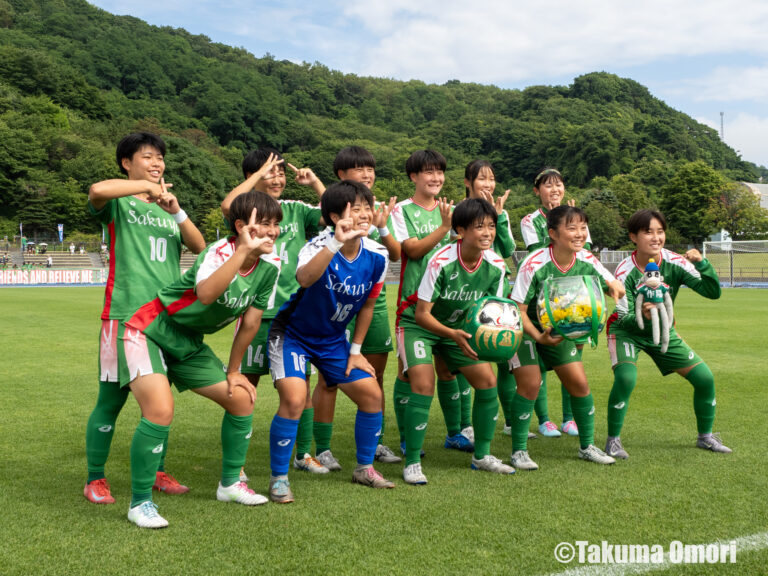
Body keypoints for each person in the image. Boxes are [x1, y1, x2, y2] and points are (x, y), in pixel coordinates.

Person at [119, 191, 282, 528]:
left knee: (241, 400)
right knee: (160, 411)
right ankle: (140, 503)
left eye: (276, 224)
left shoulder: (270, 267)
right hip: (149, 328)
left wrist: (235, 371)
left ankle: (230, 485)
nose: (272, 231)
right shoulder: (219, 251)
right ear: (240, 226)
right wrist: (243, 252)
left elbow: (250, 322)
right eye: (263, 224)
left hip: (188, 343)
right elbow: (207, 294)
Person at [83, 132, 206, 505]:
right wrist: (143, 187)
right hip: (124, 315)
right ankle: (95, 479)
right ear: (127, 162)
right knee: (111, 400)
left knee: (161, 398)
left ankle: (156, 471)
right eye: (149, 157)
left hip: (165, 319)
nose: (157, 164)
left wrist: (176, 210)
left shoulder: (166, 208)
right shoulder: (119, 203)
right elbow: (96, 191)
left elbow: (201, 249)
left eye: (160, 159)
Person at [266, 180, 396, 503]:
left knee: (370, 393)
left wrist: (355, 351)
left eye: (368, 206)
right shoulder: (317, 245)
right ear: (337, 216)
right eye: (357, 208)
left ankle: (364, 469)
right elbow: (304, 279)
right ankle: (279, 478)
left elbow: (367, 304)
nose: (366, 214)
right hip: (293, 335)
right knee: (295, 399)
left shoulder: (378, 255)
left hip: (334, 340)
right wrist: (336, 244)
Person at [221, 148, 330, 476]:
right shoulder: (245, 210)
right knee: (243, 386)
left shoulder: (297, 209)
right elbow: (228, 206)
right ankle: (236, 464)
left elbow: (334, 215)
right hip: (258, 312)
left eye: (281, 172)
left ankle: (304, 454)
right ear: (254, 178)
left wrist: (315, 184)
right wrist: (255, 177)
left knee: (301, 387)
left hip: (295, 317)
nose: (279, 178)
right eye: (271, 172)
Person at [399, 198, 515, 484]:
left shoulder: (497, 266)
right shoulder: (440, 261)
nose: (487, 232)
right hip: (419, 326)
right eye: (479, 227)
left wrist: (493, 340)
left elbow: (492, 311)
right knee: (423, 384)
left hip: (459, 329)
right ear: (460, 230)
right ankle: (412, 460)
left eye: (491, 226)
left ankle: (482, 456)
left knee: (487, 382)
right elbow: (423, 313)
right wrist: (452, 335)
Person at [605, 209, 730, 459]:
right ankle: (612, 441)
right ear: (633, 236)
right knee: (627, 378)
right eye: (648, 232)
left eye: (660, 231)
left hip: (662, 331)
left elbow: (712, 292)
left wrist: (702, 263)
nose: (655, 237)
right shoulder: (623, 270)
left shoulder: (676, 262)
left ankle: (706, 437)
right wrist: (644, 314)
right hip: (626, 330)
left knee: (705, 378)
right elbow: (623, 315)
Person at [508, 205, 623, 470]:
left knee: (580, 385)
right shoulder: (534, 263)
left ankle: (587, 447)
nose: (580, 233)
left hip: (559, 333)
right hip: (525, 330)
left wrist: (612, 293)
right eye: (571, 228)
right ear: (553, 233)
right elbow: (519, 310)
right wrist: (538, 336)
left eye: (583, 227)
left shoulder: (587, 259)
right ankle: (518, 452)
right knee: (531, 384)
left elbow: (612, 288)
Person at [312, 146, 402, 471]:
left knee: (373, 375)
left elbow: (394, 255)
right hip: (335, 308)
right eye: (359, 168)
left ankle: (373, 443)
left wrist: (382, 226)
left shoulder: (376, 214)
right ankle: (321, 448)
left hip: (370, 305)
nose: (367, 174)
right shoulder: (332, 217)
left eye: (370, 168)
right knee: (328, 379)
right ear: (340, 175)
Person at [390, 150, 472, 457]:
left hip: (448, 305)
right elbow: (411, 251)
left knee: (449, 370)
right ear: (413, 177)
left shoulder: (451, 210)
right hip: (413, 305)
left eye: (439, 172)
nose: (435, 178)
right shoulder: (401, 211)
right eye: (428, 172)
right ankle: (406, 438)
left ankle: (455, 434)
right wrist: (444, 227)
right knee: (408, 372)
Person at [519, 167, 594, 438]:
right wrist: (558, 222)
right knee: (538, 362)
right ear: (537, 190)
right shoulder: (530, 220)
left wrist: (571, 223)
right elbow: (538, 253)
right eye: (548, 186)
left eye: (559, 185)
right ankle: (544, 419)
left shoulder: (576, 218)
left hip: (575, 296)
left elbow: (583, 252)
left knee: (571, 356)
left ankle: (569, 418)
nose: (555, 190)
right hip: (543, 298)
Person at [459, 160, 525, 441]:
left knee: (505, 352)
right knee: (466, 352)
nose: (487, 184)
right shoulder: (458, 213)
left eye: (491, 179)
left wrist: (497, 218)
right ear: (468, 182)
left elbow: (509, 249)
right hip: (468, 286)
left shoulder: (502, 213)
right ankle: (465, 424)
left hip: (498, 286)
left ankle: (510, 419)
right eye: (481, 179)